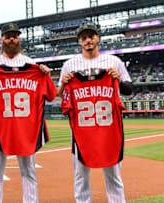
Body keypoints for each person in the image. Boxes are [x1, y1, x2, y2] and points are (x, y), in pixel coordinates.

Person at [0, 23, 55, 203]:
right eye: (8, 36)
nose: (12, 39)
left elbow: (50, 95)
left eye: (15, 35)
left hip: (26, 130)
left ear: (19, 39)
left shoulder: (32, 65)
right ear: (2, 39)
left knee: (29, 172)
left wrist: (45, 74)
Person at [58, 24, 133, 203]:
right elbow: (60, 94)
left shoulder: (114, 62)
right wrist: (63, 84)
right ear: (79, 42)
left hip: (109, 129)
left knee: (114, 175)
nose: (88, 40)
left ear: (97, 38)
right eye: (84, 38)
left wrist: (118, 79)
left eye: (91, 36)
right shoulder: (69, 65)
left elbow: (128, 89)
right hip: (82, 131)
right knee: (81, 175)